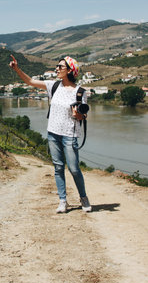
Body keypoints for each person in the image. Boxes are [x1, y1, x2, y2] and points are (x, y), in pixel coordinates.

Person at [9, 54, 92, 213]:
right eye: (57, 66)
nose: (57, 69)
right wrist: (17, 69)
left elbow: (83, 115)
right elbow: (30, 81)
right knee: (58, 168)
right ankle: (63, 201)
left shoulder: (80, 92)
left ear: (69, 70)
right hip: (53, 133)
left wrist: (79, 115)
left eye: (60, 67)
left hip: (70, 134)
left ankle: (83, 198)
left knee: (74, 169)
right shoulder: (53, 86)